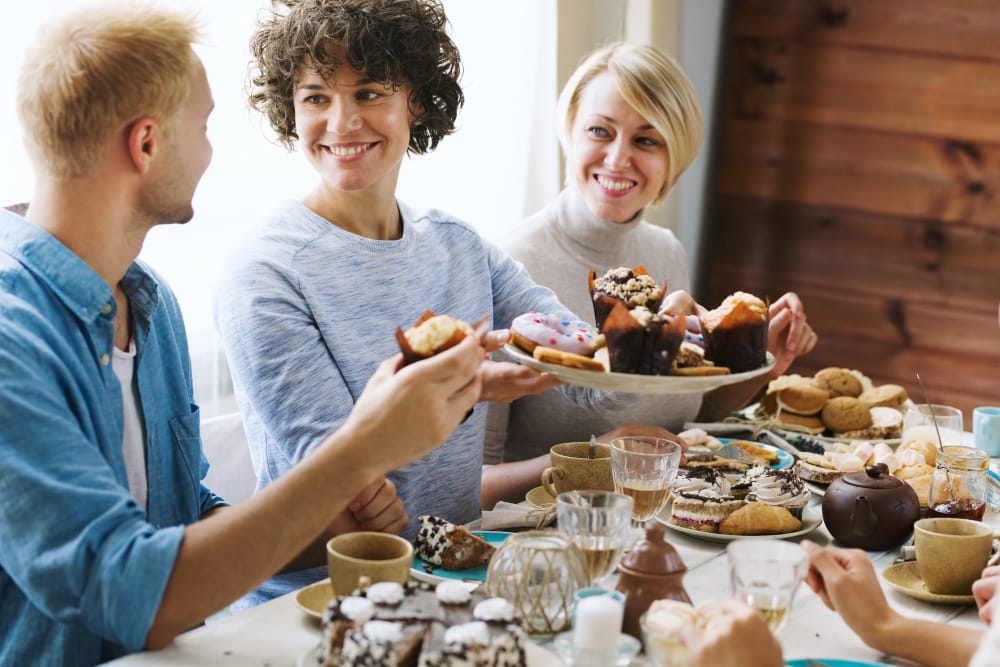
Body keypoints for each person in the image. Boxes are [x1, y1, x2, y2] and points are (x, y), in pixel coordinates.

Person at [0, 3, 488, 663]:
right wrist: (358, 451)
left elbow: (182, 517)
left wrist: (327, 523)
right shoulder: (12, 340)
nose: (211, 149)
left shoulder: (148, 303)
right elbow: (128, 591)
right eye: (203, 125)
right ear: (146, 144)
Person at [214, 0, 636, 606]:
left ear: (416, 99)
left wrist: (655, 338)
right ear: (290, 108)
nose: (341, 122)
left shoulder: (459, 245)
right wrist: (464, 392)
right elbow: (352, 491)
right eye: (315, 97)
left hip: (457, 583)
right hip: (320, 605)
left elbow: (592, 376)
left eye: (368, 93)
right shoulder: (264, 274)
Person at [481, 42, 817, 508]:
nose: (618, 159)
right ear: (570, 133)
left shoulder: (664, 252)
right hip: (552, 531)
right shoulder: (508, 265)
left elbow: (686, 416)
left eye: (645, 140)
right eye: (599, 131)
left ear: (673, 158)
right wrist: (598, 456)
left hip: (669, 522)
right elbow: (473, 484)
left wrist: (770, 364)